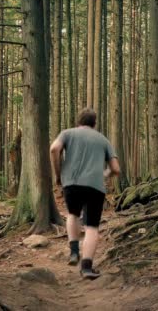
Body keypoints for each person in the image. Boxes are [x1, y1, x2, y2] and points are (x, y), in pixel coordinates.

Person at [50, 108, 120, 279]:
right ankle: (87, 268)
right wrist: (104, 174)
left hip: (71, 183)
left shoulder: (67, 133)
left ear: (78, 121)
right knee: (92, 227)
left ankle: (74, 252)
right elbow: (116, 169)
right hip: (95, 187)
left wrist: (58, 175)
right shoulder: (103, 139)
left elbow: (54, 149)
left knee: (72, 214)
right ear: (94, 123)